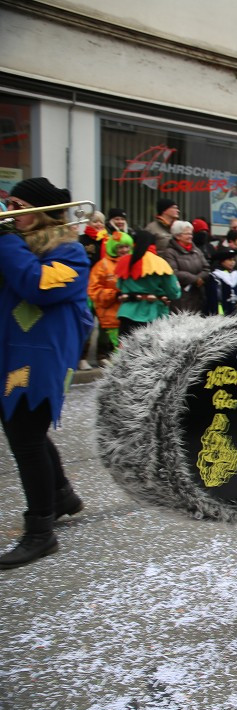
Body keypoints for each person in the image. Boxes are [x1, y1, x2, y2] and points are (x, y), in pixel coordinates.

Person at [0, 177, 91, 569]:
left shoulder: (71, 254)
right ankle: (60, 495)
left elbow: (36, 286)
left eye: (17, 205)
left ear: (39, 212)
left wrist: (5, 242)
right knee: (26, 431)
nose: (9, 212)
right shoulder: (17, 247)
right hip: (12, 353)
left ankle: (40, 531)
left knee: (25, 435)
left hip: (41, 360)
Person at [115, 230, 183, 337]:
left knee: (125, 351)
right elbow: (174, 292)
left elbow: (119, 286)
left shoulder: (123, 262)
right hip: (151, 315)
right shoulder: (159, 263)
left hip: (126, 314)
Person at [87, 230, 134, 363]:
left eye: (126, 246)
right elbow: (94, 289)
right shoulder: (102, 265)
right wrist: (114, 294)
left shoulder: (134, 263)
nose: (124, 250)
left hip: (129, 314)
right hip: (111, 315)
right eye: (120, 247)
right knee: (121, 351)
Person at [161, 220, 210, 314]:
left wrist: (200, 278)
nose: (190, 236)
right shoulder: (170, 252)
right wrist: (195, 279)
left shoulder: (196, 250)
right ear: (177, 235)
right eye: (187, 234)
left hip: (198, 294)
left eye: (191, 233)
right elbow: (173, 272)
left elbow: (206, 268)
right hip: (181, 297)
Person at [206, 248, 237, 315]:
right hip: (222, 310)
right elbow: (213, 297)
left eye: (233, 260)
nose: (232, 262)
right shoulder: (215, 276)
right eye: (229, 260)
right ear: (222, 261)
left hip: (236, 309)